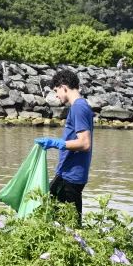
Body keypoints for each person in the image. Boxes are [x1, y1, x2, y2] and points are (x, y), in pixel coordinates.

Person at [34, 69, 94, 224]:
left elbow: (85, 143)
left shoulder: (79, 107)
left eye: (56, 91)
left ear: (64, 86)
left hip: (71, 176)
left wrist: (56, 143)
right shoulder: (79, 106)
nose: (56, 95)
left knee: (69, 225)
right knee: (52, 214)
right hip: (67, 173)